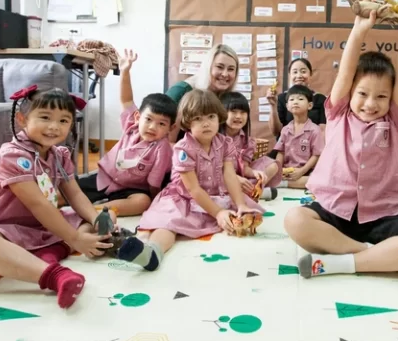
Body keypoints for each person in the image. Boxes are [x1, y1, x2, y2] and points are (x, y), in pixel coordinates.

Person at [284, 8, 398, 279]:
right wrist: (359, 30)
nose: (371, 104)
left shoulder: (393, 120)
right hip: (335, 211)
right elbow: (346, 73)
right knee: (294, 220)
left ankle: (342, 263)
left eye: (381, 96)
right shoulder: (338, 113)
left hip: (383, 213)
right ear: (350, 92)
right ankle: (373, 254)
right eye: (362, 94)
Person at [0, 87, 114, 309]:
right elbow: (37, 203)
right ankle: (54, 274)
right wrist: (75, 239)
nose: (53, 127)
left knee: (100, 217)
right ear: (22, 119)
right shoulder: (13, 156)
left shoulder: (59, 155)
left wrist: (96, 220)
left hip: (39, 227)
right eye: (45, 117)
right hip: (2, 231)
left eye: (63, 121)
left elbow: (75, 193)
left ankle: (42, 255)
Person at [117, 89, 264, 271]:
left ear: (219, 118)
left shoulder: (225, 143)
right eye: (198, 118)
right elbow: (193, 189)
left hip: (216, 194)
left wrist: (240, 204)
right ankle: (151, 253)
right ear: (187, 122)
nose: (206, 123)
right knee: (167, 223)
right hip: (184, 198)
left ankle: (230, 212)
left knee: (246, 214)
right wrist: (218, 213)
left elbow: (229, 175)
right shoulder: (183, 148)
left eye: (211, 116)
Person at [78, 49, 177, 216]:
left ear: (170, 128)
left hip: (132, 190)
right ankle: (50, 204)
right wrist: (125, 70)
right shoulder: (131, 125)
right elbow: (126, 100)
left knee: (142, 202)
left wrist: (154, 202)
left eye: (161, 124)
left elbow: (154, 183)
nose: (153, 127)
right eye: (148, 120)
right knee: (71, 189)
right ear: (138, 117)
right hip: (105, 178)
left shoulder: (162, 148)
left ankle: (94, 211)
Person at [166, 44, 240, 142]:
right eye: (219, 67)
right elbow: (165, 141)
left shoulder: (227, 99)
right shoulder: (181, 91)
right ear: (208, 67)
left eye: (231, 69)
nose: (225, 74)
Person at [220, 91, 281, 199]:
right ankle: (251, 193)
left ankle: (249, 191)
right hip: (220, 176)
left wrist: (255, 173)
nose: (238, 116)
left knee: (272, 165)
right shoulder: (215, 138)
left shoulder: (248, 141)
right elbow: (213, 169)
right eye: (233, 112)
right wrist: (235, 179)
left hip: (241, 177)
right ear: (222, 113)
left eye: (243, 112)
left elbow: (245, 168)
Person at [273, 85, 324, 189]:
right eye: (292, 99)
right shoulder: (285, 130)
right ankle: (282, 181)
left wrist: (302, 171)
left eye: (300, 99)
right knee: (268, 170)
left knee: (318, 180)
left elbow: (316, 155)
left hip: (306, 171)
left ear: (310, 105)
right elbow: (281, 152)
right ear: (287, 106)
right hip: (287, 170)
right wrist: (278, 170)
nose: (295, 102)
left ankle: (283, 184)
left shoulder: (314, 130)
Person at [266, 58, 327, 138]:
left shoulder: (320, 99)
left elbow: (323, 130)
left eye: (303, 71)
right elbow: (276, 131)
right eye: (295, 72)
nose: (299, 75)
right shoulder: (281, 98)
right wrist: (273, 106)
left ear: (310, 74)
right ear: (290, 75)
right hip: (286, 148)